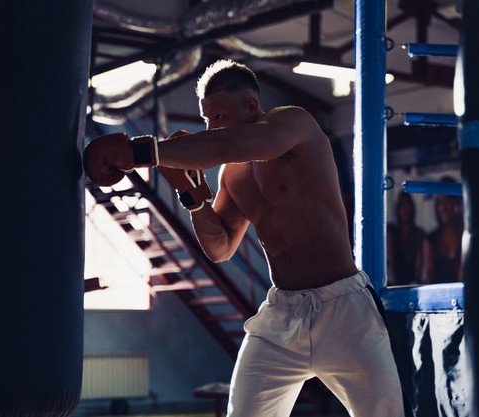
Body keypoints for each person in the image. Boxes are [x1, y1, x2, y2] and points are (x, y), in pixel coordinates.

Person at [83, 59, 410, 417]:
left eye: (218, 118)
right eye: (206, 120)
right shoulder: (232, 176)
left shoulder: (294, 124)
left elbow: (227, 144)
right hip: (281, 315)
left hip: (344, 309)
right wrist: (193, 198)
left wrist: (139, 154)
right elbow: (220, 248)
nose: (209, 129)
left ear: (251, 106)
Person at [424, 181, 464, 283]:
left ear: (456, 203)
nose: (443, 207)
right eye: (439, 203)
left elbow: (463, 279)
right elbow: (429, 278)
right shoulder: (430, 240)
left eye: (447, 200)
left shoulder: (465, 237)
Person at [387, 191, 427, 285]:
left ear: (412, 208)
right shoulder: (392, 233)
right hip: (393, 284)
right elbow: (392, 263)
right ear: (398, 209)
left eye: (407, 205)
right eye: (401, 206)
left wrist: (414, 283)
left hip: (413, 283)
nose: (404, 209)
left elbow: (419, 264)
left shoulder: (419, 234)